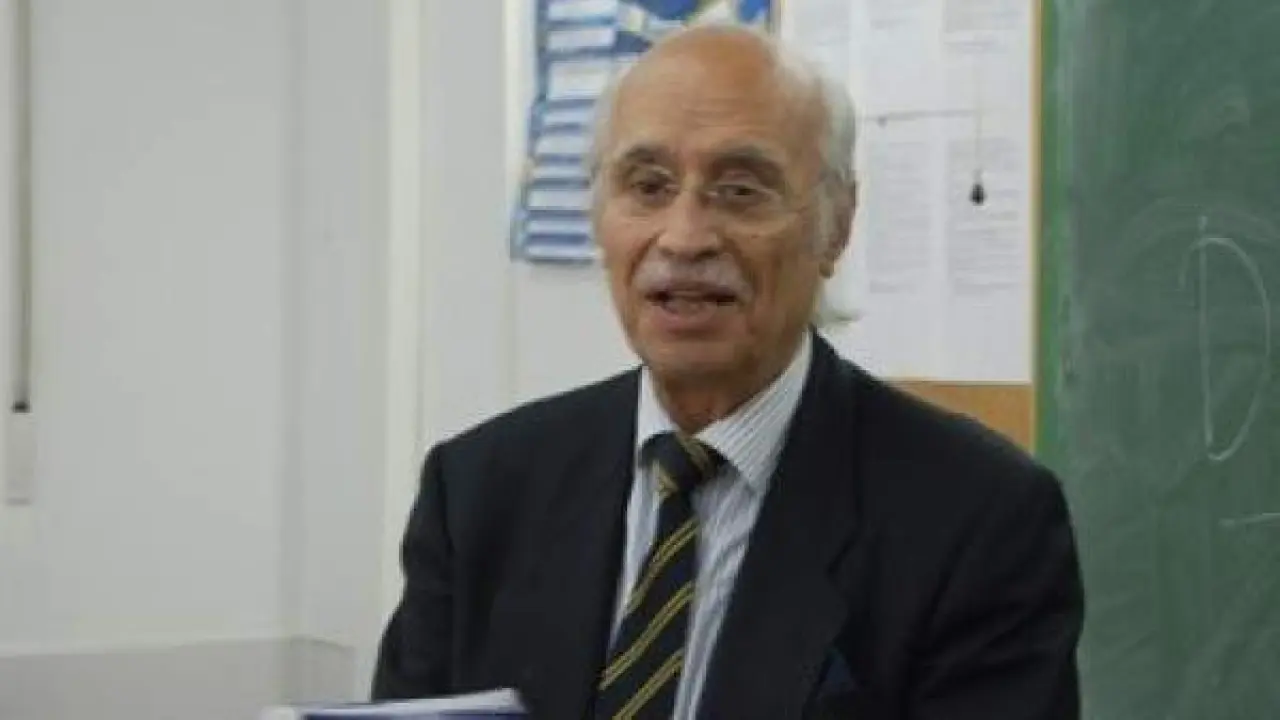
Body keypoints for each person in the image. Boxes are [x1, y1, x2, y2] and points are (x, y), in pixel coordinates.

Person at [373, 25, 1084, 720]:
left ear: (836, 225)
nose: (684, 238)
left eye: (740, 190)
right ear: (599, 217)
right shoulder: (479, 491)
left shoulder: (978, 519)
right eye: (647, 185)